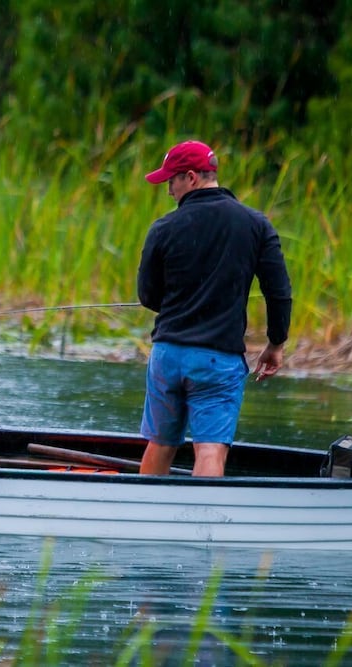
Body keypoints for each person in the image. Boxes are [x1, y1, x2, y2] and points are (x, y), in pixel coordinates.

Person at [136, 140, 292, 477]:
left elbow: (147, 295)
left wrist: (180, 305)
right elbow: (278, 291)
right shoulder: (256, 225)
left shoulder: (163, 227)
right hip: (217, 359)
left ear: (191, 177)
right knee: (209, 448)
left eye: (171, 181)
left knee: (160, 444)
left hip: (167, 354)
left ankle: (143, 508)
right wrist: (276, 343)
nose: (169, 191)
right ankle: (203, 512)